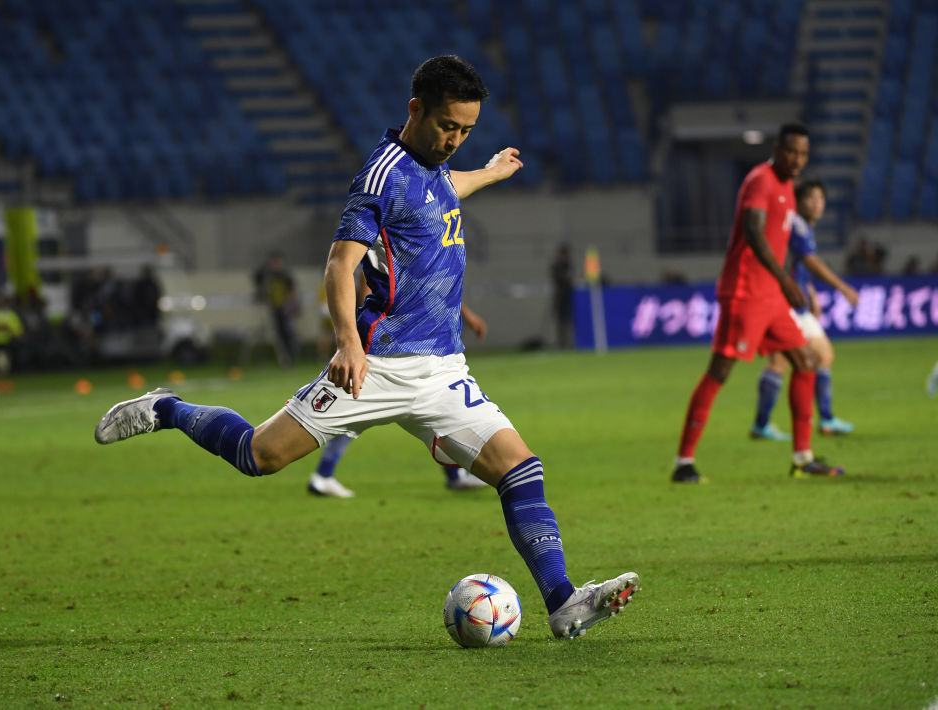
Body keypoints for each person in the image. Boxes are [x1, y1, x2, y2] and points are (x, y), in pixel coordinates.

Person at [95, 55, 638, 638]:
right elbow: (340, 263)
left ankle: (562, 603)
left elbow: (441, 191)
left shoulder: (434, 167)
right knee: (261, 455)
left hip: (440, 371)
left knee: (519, 469)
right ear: (415, 110)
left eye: (466, 131)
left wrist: (486, 172)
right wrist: (348, 342)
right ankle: (167, 409)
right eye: (447, 126)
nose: (454, 140)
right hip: (374, 364)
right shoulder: (380, 175)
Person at [671, 123, 845, 483]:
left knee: (806, 360)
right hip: (745, 293)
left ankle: (803, 457)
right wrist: (786, 280)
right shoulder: (761, 180)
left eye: (803, 154)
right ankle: (684, 463)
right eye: (791, 152)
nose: (797, 160)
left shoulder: (786, 187)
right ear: (778, 150)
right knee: (720, 372)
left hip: (771, 296)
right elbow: (753, 232)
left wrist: (784, 285)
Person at [308, 302, 491, 497]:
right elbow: (368, 290)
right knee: (358, 409)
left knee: (432, 407)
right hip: (387, 346)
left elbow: (436, 284)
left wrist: (466, 314)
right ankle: (323, 474)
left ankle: (455, 474)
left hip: (405, 342)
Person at [750, 179, 860, 440]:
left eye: (821, 199)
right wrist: (842, 288)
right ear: (799, 202)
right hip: (782, 305)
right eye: (811, 198)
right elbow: (811, 263)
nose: (817, 204)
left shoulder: (801, 227)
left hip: (798, 305)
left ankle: (826, 419)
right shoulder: (796, 225)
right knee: (779, 363)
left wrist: (811, 295)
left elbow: (796, 266)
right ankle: (762, 425)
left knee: (823, 355)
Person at [253, 251, 300, 367]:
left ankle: (292, 358)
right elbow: (257, 276)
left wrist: (292, 307)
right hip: (275, 309)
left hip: (285, 309)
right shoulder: (269, 275)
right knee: (280, 335)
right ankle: (285, 359)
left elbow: (292, 293)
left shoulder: (286, 276)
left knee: (288, 333)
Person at [550, 243, 573, 348]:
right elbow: (558, 277)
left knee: (568, 319)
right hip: (560, 295)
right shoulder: (557, 265)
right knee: (561, 320)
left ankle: (568, 342)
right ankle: (561, 343)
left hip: (568, 295)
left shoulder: (568, 264)